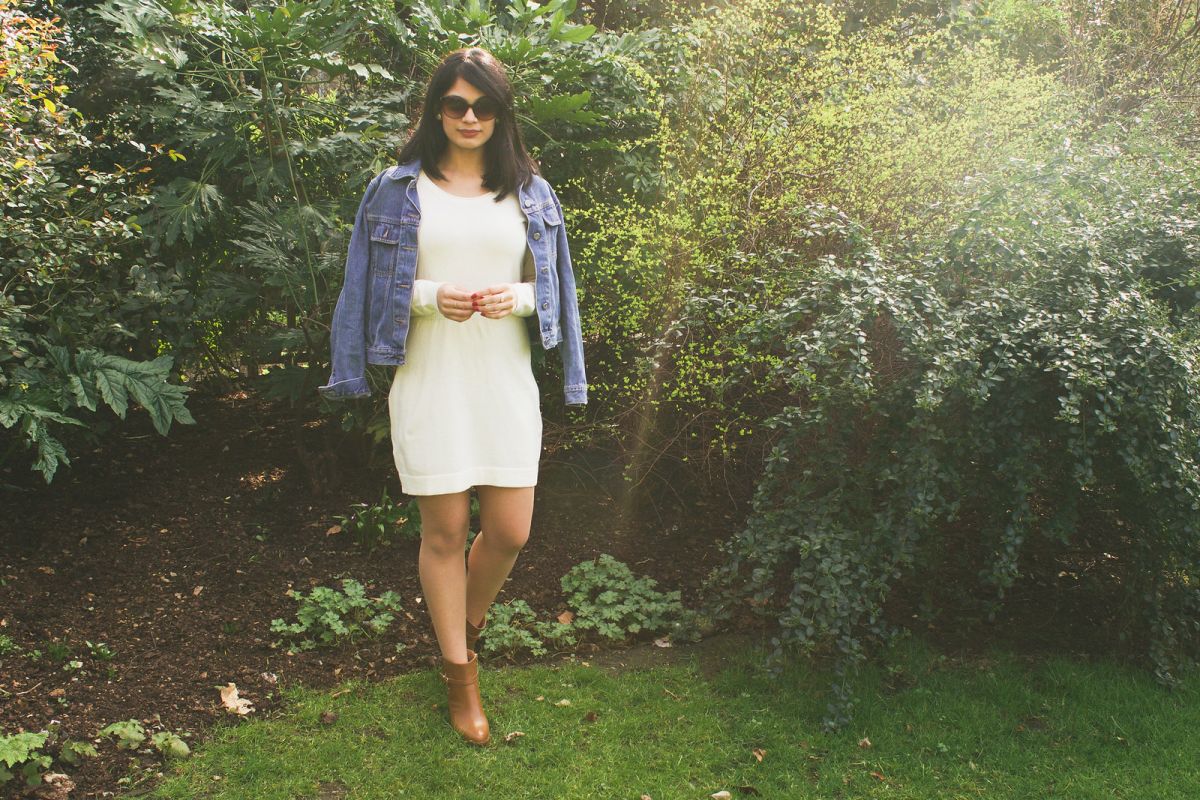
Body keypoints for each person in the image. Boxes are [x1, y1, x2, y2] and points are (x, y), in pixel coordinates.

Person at [318, 46, 587, 746]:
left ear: (501, 114)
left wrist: (518, 298)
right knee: (443, 535)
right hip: (431, 381)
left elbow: (555, 290)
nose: (470, 117)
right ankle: (459, 678)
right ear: (437, 111)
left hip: (503, 382)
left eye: (484, 105)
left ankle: (458, 635)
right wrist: (437, 298)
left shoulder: (530, 191)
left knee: (509, 532)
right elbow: (367, 291)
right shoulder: (395, 191)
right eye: (456, 104)